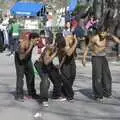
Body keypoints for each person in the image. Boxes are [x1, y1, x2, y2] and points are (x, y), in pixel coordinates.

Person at [82, 27, 120, 102]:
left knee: (107, 75)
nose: (102, 34)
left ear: (106, 32)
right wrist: (84, 58)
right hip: (96, 57)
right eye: (101, 33)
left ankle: (107, 92)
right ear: (98, 33)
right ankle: (98, 95)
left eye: (104, 33)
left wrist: (111, 35)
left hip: (103, 57)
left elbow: (118, 41)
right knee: (97, 76)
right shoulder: (94, 38)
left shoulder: (107, 37)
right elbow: (87, 48)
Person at [14, 32, 39, 101]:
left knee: (31, 75)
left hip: (27, 59)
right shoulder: (23, 44)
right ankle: (19, 95)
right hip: (19, 59)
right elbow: (21, 57)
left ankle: (32, 93)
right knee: (20, 77)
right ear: (32, 39)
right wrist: (30, 47)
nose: (37, 42)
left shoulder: (33, 43)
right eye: (36, 40)